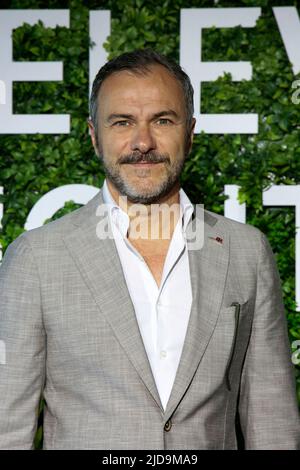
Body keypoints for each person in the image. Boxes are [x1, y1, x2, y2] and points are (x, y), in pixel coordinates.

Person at [0, 48, 299, 450]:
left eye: (162, 120)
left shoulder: (246, 251)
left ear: (190, 131)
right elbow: (6, 426)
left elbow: (272, 418)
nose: (142, 142)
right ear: (94, 135)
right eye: (122, 122)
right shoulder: (36, 259)